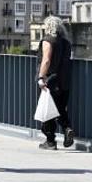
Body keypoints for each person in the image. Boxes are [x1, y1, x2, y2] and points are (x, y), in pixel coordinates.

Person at [36, 16, 75, 150]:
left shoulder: (48, 40)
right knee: (60, 108)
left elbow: (46, 60)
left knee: (48, 110)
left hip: (51, 80)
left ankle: (51, 141)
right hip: (65, 81)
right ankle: (67, 128)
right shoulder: (66, 42)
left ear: (48, 27)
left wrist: (41, 77)